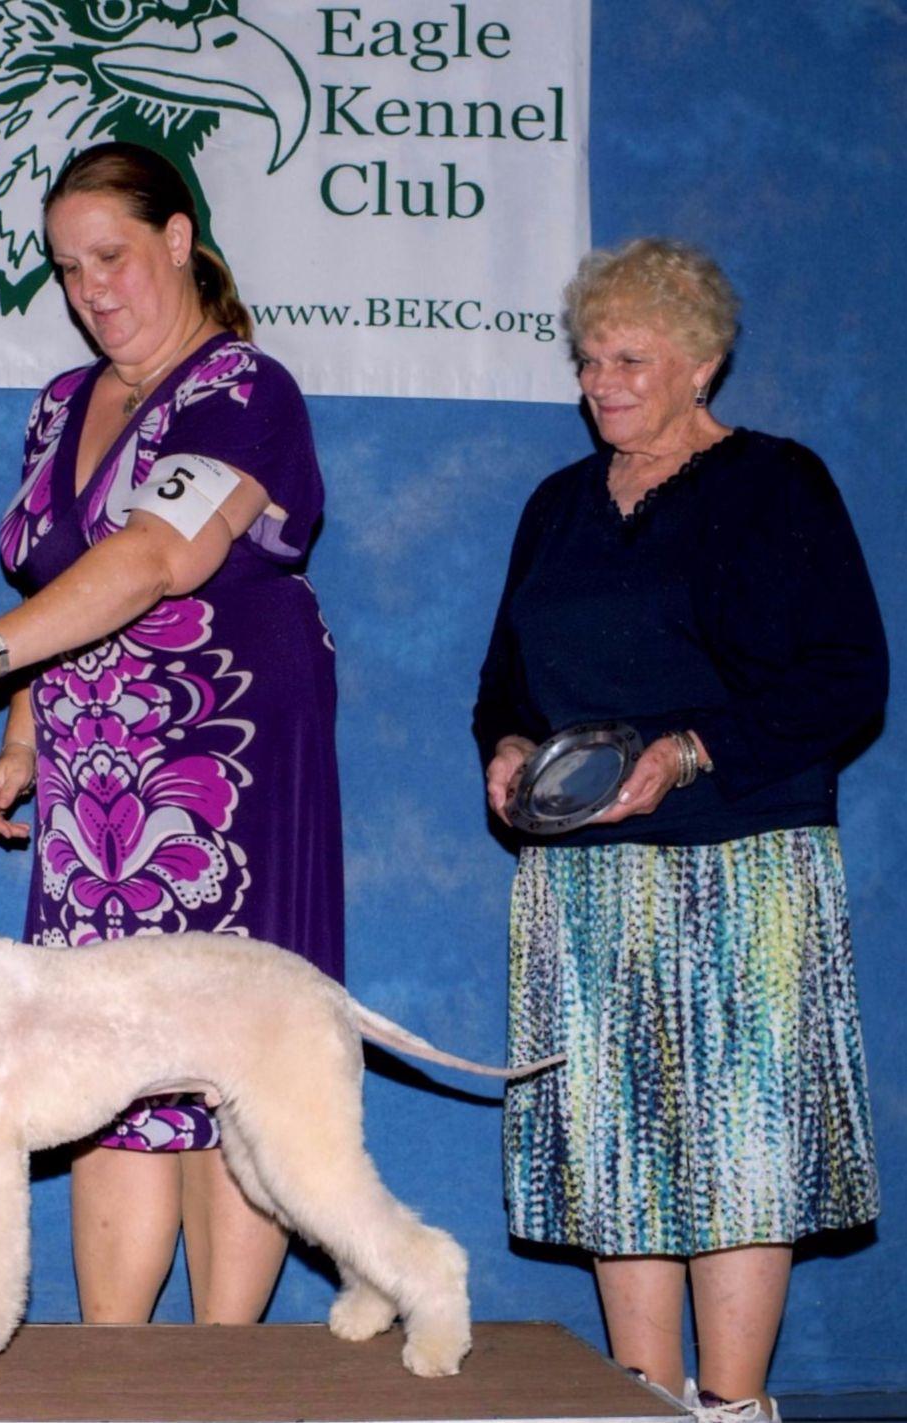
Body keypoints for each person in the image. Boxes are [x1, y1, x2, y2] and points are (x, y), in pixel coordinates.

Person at [0, 141, 342, 1326]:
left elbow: (153, 558)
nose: (89, 287)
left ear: (180, 241)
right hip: (92, 799)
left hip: (222, 778)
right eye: (65, 267)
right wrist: (26, 736)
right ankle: (113, 1376)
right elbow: (60, 572)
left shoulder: (244, 390)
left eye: (111, 256)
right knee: (98, 1072)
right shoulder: (57, 404)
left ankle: (224, 1377)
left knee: (231, 1064)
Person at [473, 237, 885, 1420]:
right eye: (587, 358)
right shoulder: (555, 505)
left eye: (629, 359)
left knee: (739, 1149)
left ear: (700, 364)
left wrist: (687, 751)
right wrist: (503, 750)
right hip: (582, 881)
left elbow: (847, 677)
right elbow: (501, 685)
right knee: (615, 1158)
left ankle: (733, 1404)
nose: (600, 381)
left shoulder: (779, 485)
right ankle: (639, 1401)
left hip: (739, 864)